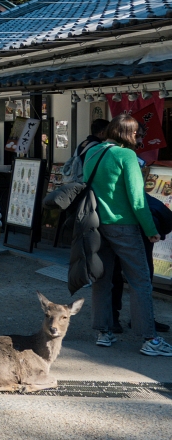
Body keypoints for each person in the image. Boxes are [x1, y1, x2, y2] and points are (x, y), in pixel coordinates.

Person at [85, 115, 172, 356]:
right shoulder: (127, 156)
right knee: (140, 281)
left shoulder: (92, 153)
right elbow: (137, 199)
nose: (138, 138)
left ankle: (103, 332)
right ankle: (150, 338)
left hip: (97, 225)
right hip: (125, 226)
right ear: (128, 134)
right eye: (136, 134)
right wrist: (151, 230)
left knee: (102, 280)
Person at [63, 118, 109, 183]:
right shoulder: (98, 147)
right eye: (108, 131)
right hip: (86, 180)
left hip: (76, 180)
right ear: (102, 133)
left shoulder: (83, 143)